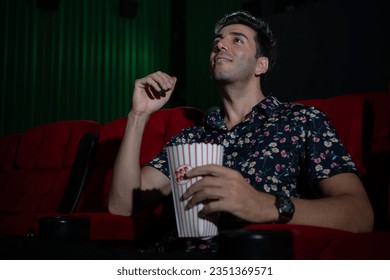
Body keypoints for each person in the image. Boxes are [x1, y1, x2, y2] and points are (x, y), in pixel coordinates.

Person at [109, 11, 374, 249]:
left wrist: (264, 205)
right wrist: (139, 114)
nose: (220, 44)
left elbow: (360, 214)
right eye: (217, 42)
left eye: (237, 40)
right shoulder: (192, 138)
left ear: (261, 65)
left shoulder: (301, 120)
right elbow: (122, 206)